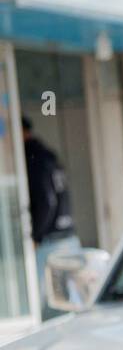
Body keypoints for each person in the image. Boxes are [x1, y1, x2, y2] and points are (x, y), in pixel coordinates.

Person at [23, 116, 79, 320]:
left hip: (50, 243)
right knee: (69, 304)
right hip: (67, 238)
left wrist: (36, 236)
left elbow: (47, 201)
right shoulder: (48, 156)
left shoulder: (32, 158)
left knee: (47, 311)